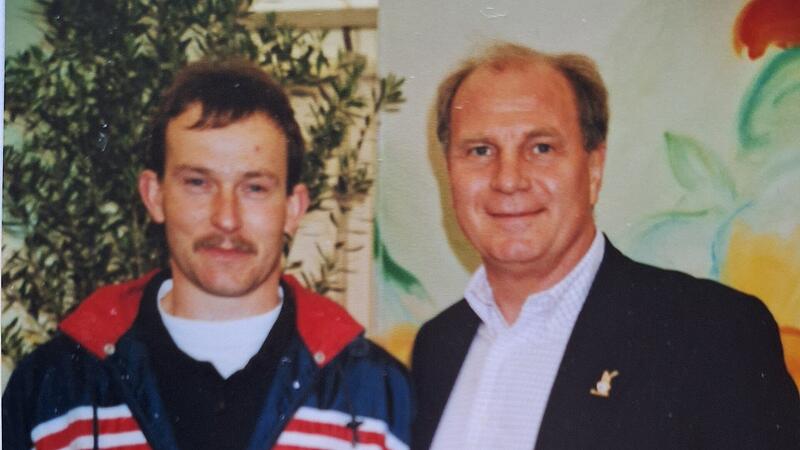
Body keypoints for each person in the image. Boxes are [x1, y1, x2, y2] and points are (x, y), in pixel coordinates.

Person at [3, 59, 411, 450]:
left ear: (293, 208)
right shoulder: (55, 390)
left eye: (255, 188)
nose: (226, 219)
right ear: (155, 196)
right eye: (198, 183)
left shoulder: (374, 397)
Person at [411, 42, 800, 450]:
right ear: (449, 171)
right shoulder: (437, 347)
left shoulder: (712, 335)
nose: (508, 180)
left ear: (594, 168)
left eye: (541, 148)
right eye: (480, 150)